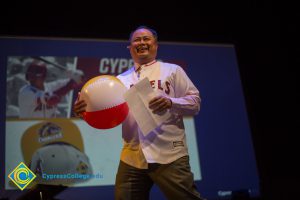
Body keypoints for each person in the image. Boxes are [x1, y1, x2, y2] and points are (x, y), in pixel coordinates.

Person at [73, 26, 205, 200]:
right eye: (137, 40)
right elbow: (105, 113)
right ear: (130, 47)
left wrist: (171, 102)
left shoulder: (172, 71)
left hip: (169, 154)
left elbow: (195, 103)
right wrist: (84, 110)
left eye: (146, 39)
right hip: (132, 156)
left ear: (156, 45)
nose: (141, 42)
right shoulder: (119, 81)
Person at [19, 61, 84, 118]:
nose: (31, 79)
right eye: (30, 76)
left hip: (48, 126)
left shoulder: (50, 86)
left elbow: (77, 82)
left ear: (43, 77)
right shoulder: (25, 92)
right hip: (29, 127)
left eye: (35, 77)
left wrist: (76, 76)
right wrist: (70, 83)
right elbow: (51, 99)